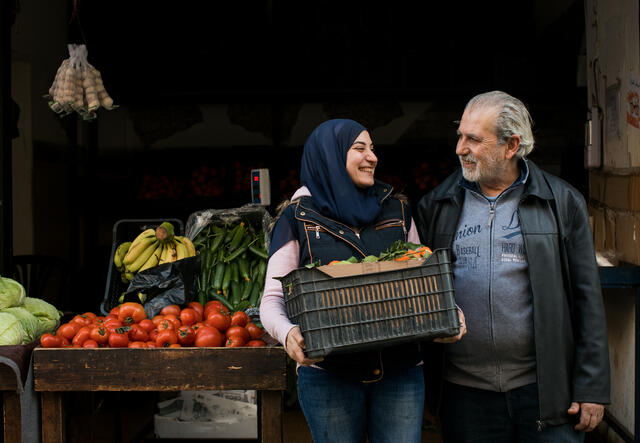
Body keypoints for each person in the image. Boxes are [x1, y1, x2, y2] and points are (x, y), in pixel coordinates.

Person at [416, 91, 610, 442]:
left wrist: (593, 386)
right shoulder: (438, 204)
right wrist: (430, 390)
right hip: (464, 393)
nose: (460, 148)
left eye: (473, 139)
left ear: (511, 146)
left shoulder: (561, 202)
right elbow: (422, 296)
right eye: (460, 135)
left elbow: (587, 299)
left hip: (545, 390)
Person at [260, 118, 465, 443]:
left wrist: (448, 309)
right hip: (329, 375)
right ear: (330, 155)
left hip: (401, 371)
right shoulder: (297, 217)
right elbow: (272, 299)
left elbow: (422, 275)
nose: (372, 157)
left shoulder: (396, 209)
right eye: (360, 148)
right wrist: (288, 335)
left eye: (372, 149)